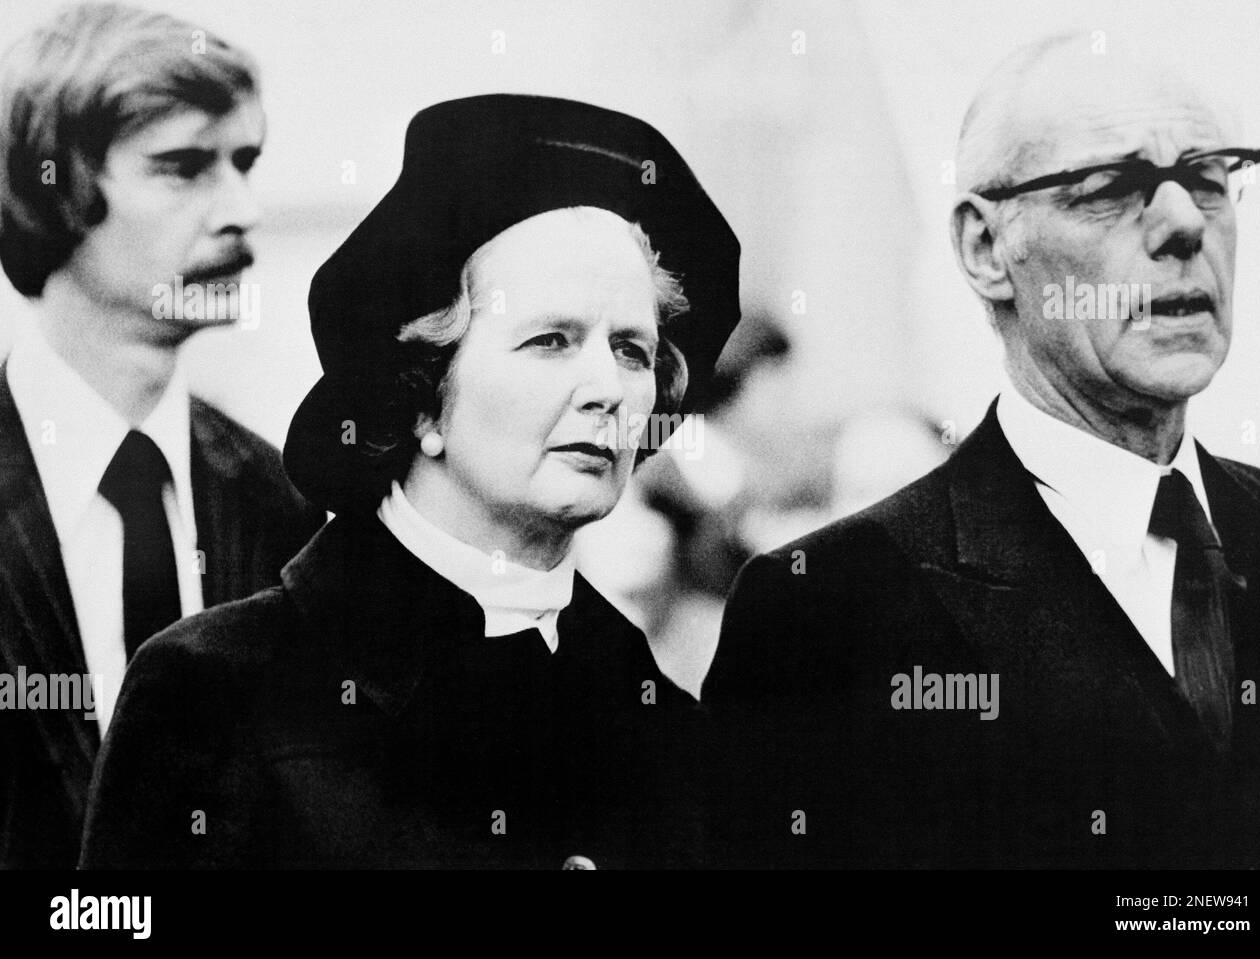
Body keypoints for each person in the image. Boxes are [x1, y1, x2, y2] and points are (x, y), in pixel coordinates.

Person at [80, 94, 741, 869]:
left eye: (632, 349)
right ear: (423, 392)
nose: (608, 386)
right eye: (551, 340)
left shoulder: (659, 720)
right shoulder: (219, 694)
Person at [705, 34, 1260, 868]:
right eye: (1114, 188)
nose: (1184, 223)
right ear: (986, 250)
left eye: (1208, 176)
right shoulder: (826, 612)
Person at [0, 3, 321, 869]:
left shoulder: (291, 505)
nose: (243, 210)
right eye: (183, 169)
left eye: (245, 164)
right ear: (53, 188)